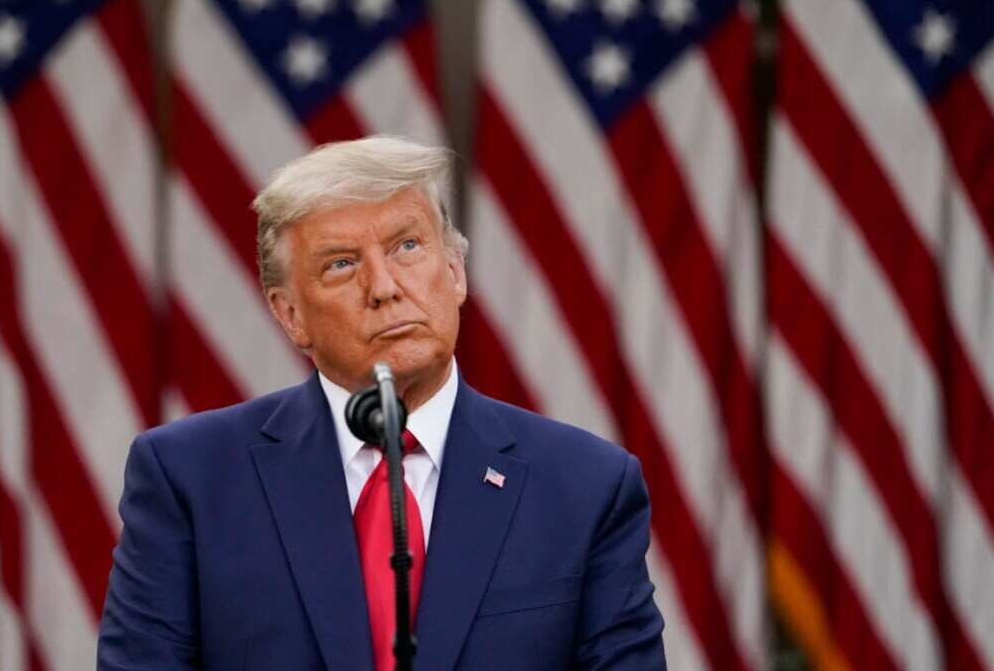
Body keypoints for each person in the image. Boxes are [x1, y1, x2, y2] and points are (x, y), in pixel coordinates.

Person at [96, 137, 665, 670]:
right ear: (290, 314)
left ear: (455, 272)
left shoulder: (585, 486)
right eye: (341, 263)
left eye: (407, 246)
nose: (384, 286)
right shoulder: (189, 479)